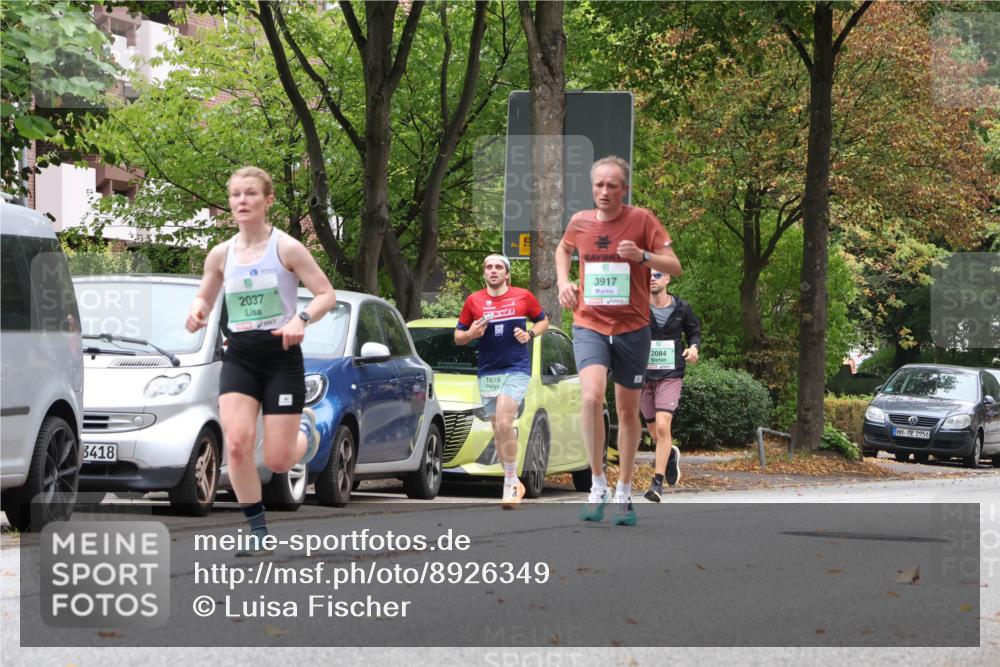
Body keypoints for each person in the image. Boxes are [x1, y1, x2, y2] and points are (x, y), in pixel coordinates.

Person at [186, 166, 336, 554]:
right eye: (236, 195)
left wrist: (301, 319)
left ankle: (306, 428)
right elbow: (205, 295)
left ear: (267, 201)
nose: (242, 201)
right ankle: (257, 531)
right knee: (236, 444)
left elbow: (325, 295)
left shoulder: (286, 248)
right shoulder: (221, 254)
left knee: (279, 461)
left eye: (250, 194)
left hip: (281, 359)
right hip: (239, 357)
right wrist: (198, 311)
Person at [555, 156, 682, 526]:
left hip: (632, 328)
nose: (605, 191)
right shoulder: (579, 222)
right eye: (599, 185)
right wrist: (565, 284)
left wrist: (643, 256)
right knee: (591, 396)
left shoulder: (642, 220)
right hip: (590, 324)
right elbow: (563, 249)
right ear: (592, 188)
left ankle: (624, 491)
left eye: (612, 185)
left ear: (623, 189)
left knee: (627, 412)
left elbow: (674, 266)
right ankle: (597, 484)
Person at [455, 254, 549, 508]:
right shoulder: (473, 301)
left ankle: (509, 481)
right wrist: (471, 333)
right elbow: (458, 336)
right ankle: (514, 481)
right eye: (489, 267)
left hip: (516, 369)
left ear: (507, 274)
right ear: (484, 273)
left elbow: (543, 321)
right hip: (488, 372)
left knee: (505, 420)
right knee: (499, 428)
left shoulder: (523, 296)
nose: (493, 271)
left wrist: (529, 334)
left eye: (499, 267)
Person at [641, 270, 701, 502]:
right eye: (649, 274)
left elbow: (694, 332)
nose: (652, 278)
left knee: (664, 427)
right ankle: (670, 455)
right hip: (644, 376)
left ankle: (657, 483)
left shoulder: (682, 308)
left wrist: (694, 348)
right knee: (656, 433)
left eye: (658, 274)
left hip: (671, 374)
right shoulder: (637, 307)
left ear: (667, 279)